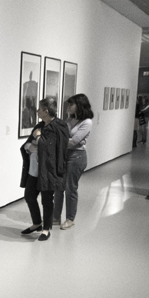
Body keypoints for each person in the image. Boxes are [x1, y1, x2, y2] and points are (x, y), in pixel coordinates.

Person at [19, 97, 69, 241]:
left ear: (46, 111)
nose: (37, 111)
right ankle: (37, 223)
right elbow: (27, 145)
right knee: (29, 195)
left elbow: (51, 149)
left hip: (49, 171)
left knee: (47, 200)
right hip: (34, 170)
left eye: (40, 109)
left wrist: (39, 139)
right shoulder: (39, 125)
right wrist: (32, 146)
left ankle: (46, 229)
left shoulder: (59, 126)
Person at [54, 93, 93, 229]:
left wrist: (62, 140)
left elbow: (74, 142)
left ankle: (70, 219)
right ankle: (55, 217)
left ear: (80, 105)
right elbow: (62, 136)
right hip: (65, 156)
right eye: (68, 104)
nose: (68, 107)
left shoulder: (87, 122)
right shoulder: (69, 120)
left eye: (71, 105)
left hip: (77, 157)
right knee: (58, 188)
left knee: (70, 189)